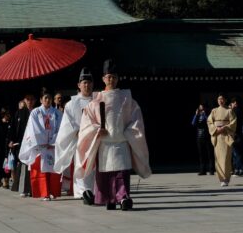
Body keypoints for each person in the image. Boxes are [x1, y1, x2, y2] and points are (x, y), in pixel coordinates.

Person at [75, 59, 151, 210]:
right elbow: (86, 123)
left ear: (118, 79)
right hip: (104, 143)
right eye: (108, 77)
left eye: (114, 77)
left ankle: (123, 198)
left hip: (122, 141)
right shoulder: (95, 101)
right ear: (103, 79)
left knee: (121, 173)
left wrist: (128, 132)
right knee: (106, 175)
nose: (111, 80)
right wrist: (97, 129)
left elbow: (136, 120)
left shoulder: (127, 99)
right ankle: (109, 199)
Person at [54, 67, 96, 204]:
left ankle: (95, 191)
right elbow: (68, 124)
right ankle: (83, 192)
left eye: (89, 82)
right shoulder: (71, 104)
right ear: (78, 85)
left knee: (95, 168)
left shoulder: (98, 100)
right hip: (81, 141)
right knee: (81, 167)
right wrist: (78, 132)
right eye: (84, 82)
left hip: (96, 141)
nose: (87, 85)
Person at [19, 89, 63, 201]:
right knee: (42, 171)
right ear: (41, 100)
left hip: (53, 146)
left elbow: (61, 128)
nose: (47, 100)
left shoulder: (57, 113)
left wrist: (53, 140)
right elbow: (33, 129)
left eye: (49, 98)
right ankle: (45, 193)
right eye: (45, 98)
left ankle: (53, 191)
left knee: (53, 170)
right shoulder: (35, 112)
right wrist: (44, 141)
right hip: (41, 147)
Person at [207, 93, 237, 187]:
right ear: (217, 100)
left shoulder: (229, 111)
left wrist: (224, 128)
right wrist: (216, 129)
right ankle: (221, 178)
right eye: (219, 99)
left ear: (225, 100)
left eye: (222, 99)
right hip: (217, 136)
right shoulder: (214, 111)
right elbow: (209, 122)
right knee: (218, 158)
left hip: (226, 135)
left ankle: (226, 178)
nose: (221, 101)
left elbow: (233, 122)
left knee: (226, 158)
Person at [9, 94, 36, 196]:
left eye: (31, 99)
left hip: (34, 143)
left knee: (34, 166)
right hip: (23, 143)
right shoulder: (19, 113)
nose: (29, 101)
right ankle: (24, 189)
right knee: (24, 165)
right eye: (27, 99)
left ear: (35, 101)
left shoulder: (37, 112)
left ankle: (34, 189)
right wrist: (12, 140)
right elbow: (13, 127)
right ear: (24, 100)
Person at [191, 104, 215, 175]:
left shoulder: (208, 114)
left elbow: (209, 122)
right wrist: (196, 115)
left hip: (207, 137)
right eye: (200, 109)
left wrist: (204, 114)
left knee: (210, 154)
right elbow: (193, 123)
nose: (201, 110)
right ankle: (202, 170)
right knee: (201, 155)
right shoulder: (197, 116)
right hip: (199, 137)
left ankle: (211, 170)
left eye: (202, 108)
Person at [230, 96, 243, 177]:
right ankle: (238, 169)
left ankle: (238, 169)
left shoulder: (234, 111)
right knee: (238, 152)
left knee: (236, 153)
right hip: (240, 134)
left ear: (234, 103)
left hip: (235, 134)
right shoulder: (240, 111)